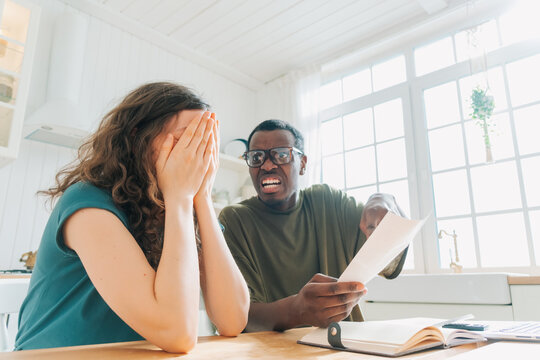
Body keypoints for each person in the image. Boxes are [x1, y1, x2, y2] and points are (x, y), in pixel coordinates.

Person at [15, 82, 249, 352]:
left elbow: (232, 320)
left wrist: (203, 197)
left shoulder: (177, 209)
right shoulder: (87, 203)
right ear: (138, 137)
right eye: (186, 139)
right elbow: (177, 333)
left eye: (204, 145)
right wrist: (181, 198)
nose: (195, 155)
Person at [218, 119, 407, 332]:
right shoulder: (234, 220)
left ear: (303, 164)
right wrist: (295, 311)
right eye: (256, 157)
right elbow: (235, 316)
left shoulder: (328, 202)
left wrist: (384, 200)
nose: (267, 165)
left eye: (281, 155)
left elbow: (389, 262)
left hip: (343, 347)